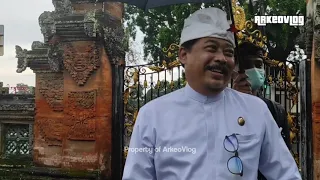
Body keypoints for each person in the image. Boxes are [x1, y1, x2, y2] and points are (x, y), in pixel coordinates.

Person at [122, 7, 301, 180]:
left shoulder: (256, 110)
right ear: (183, 54)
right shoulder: (152, 115)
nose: (221, 58)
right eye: (211, 48)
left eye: (228, 52)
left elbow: (286, 174)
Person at [232, 42, 293, 180]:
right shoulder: (220, 106)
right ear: (233, 69)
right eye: (247, 65)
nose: (254, 70)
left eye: (259, 65)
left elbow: (283, 159)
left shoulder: (276, 110)